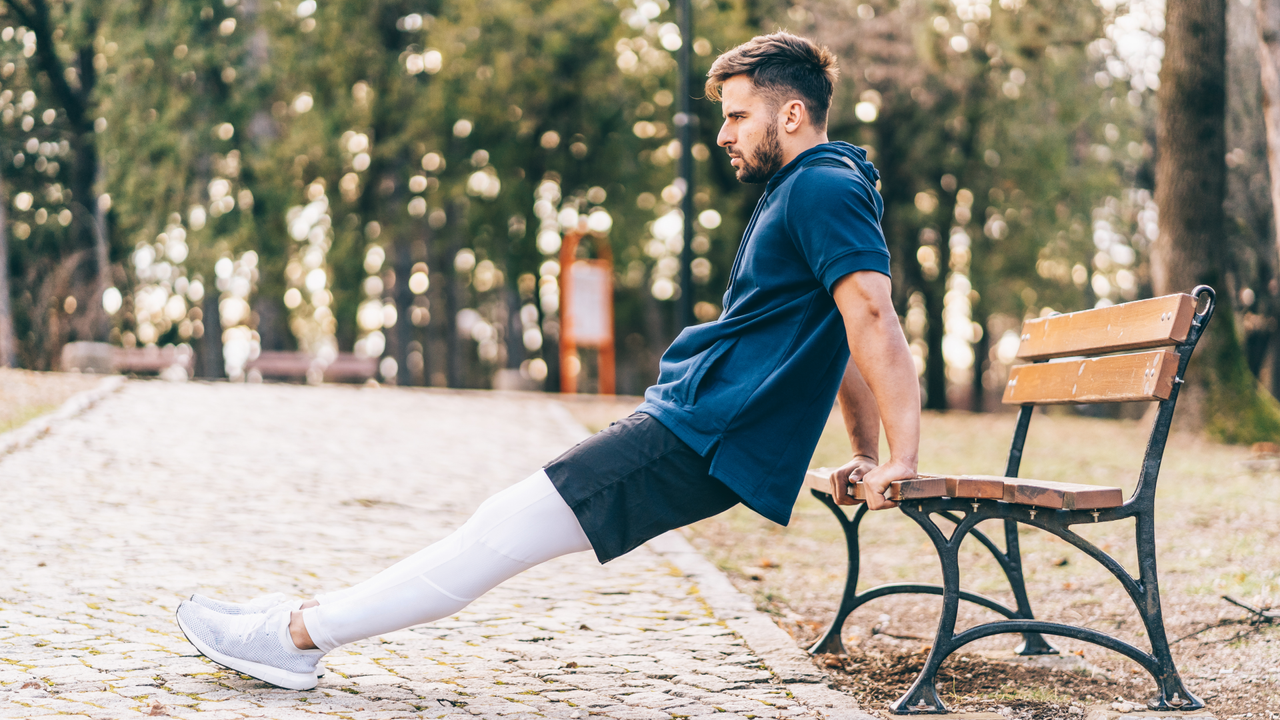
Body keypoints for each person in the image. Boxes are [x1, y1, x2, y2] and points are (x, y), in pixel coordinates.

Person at [174, 30, 921, 691]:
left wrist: (901, 457)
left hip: (703, 432)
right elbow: (840, 333)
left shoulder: (822, 187)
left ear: (791, 115)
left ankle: (294, 639)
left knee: (498, 533)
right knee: (499, 526)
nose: (724, 134)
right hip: (698, 424)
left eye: (736, 115)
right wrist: (862, 449)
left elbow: (871, 318)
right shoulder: (814, 186)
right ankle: (297, 626)